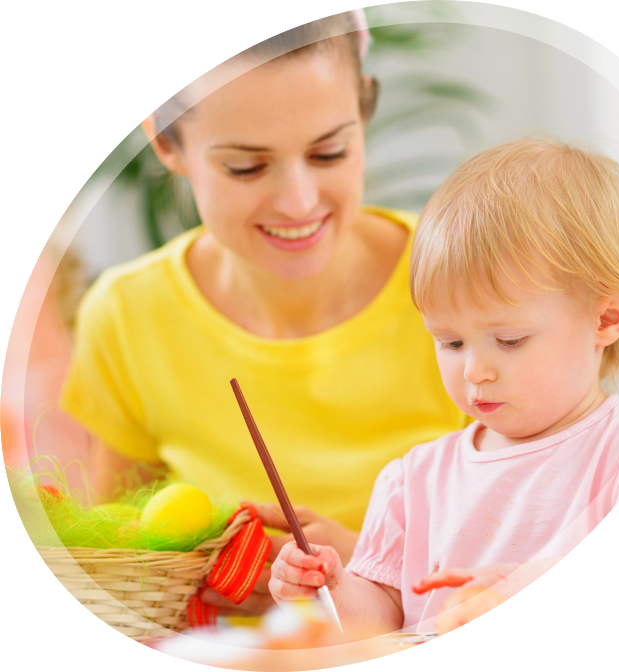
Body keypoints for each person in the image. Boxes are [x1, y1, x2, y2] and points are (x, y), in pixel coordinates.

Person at [58, 10, 468, 619]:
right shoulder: (124, 315)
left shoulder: (465, 287)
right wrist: (202, 570)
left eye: (329, 152)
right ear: (168, 144)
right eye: (246, 166)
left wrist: (370, 569)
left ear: (364, 109)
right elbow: (121, 557)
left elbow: (549, 527)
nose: (299, 201)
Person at [268, 138, 619, 633]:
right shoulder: (413, 481)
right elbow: (382, 622)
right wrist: (333, 590)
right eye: (451, 342)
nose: (473, 371)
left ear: (607, 318)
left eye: (509, 339)